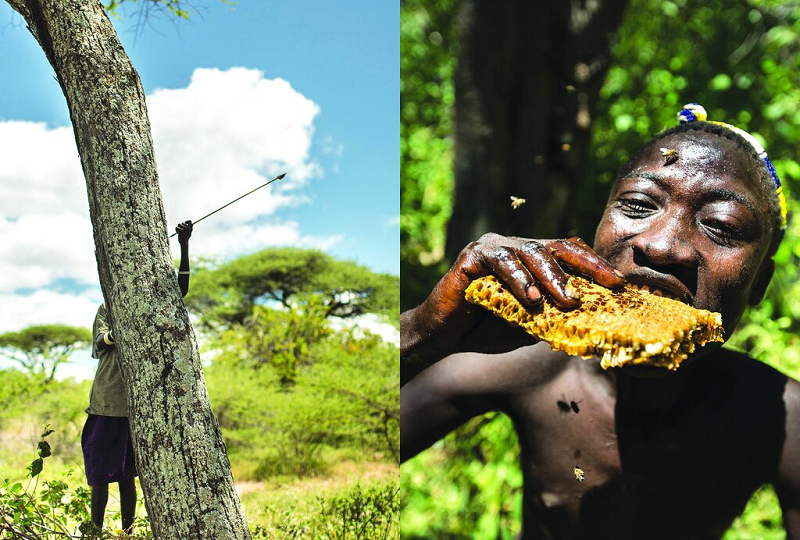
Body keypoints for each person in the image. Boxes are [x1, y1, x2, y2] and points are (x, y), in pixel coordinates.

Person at [401, 104, 800, 538]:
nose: (663, 246)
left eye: (721, 225)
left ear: (759, 283)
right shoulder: (530, 363)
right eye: (638, 204)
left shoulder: (778, 416)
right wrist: (423, 332)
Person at [81, 220, 193, 534]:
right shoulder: (106, 308)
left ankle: (127, 532)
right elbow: (100, 343)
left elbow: (179, 291)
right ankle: (96, 530)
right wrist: (123, 323)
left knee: (127, 478)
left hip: (135, 410)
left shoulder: (151, 304)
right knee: (100, 478)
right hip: (105, 405)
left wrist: (184, 245)